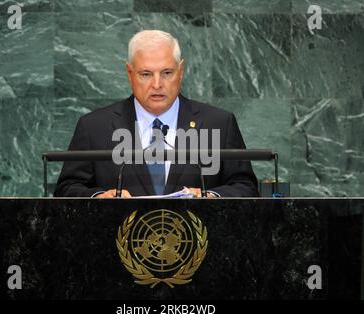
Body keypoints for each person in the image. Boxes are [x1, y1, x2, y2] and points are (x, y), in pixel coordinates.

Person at [54, 30, 258, 198]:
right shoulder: (94, 127)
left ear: (181, 71)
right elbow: (66, 189)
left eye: (167, 73)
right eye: (146, 74)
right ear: (129, 73)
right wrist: (99, 198)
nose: (157, 84)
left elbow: (246, 187)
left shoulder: (219, 123)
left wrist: (211, 196)